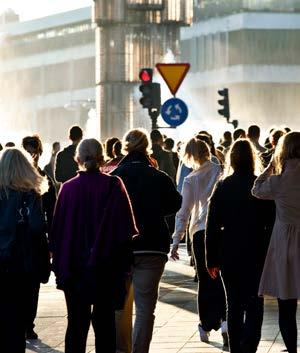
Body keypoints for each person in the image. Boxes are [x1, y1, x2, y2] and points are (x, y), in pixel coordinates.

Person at [50, 138, 137, 353]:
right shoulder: (114, 185)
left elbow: (57, 232)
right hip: (105, 267)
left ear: (77, 159)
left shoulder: (67, 189)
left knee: (76, 325)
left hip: (73, 269)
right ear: (102, 158)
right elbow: (125, 229)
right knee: (105, 325)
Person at [112, 128, 182, 353]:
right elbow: (175, 204)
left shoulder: (114, 178)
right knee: (145, 308)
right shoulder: (158, 175)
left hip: (121, 248)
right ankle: (140, 350)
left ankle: (122, 349)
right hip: (152, 247)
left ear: (125, 147)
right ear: (146, 147)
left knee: (120, 306)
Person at [206, 139, 275, 353]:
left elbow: (212, 225)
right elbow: (271, 222)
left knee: (233, 304)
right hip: (257, 252)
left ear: (232, 160)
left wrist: (211, 259)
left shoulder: (223, 186)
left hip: (229, 253)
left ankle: (236, 348)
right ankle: (250, 346)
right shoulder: (260, 186)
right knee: (255, 303)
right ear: (252, 159)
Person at [171, 138, 227, 345]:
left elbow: (183, 213)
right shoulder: (221, 171)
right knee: (221, 277)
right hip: (221, 230)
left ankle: (205, 324)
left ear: (190, 155)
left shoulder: (191, 179)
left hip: (200, 231)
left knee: (204, 280)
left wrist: (176, 240)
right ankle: (225, 320)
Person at [252, 131, 300, 353]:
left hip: (285, 244)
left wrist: (270, 165)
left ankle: (291, 349)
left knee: (287, 305)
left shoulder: (278, 181)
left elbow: (256, 189)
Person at [0, 148, 48, 353]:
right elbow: (37, 227)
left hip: (2, 263)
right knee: (19, 320)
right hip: (24, 264)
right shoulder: (31, 195)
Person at [22, 135, 55, 339]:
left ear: (38, 153)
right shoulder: (13, 178)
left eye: (32, 151)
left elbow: (52, 213)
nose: (30, 155)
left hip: (35, 240)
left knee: (33, 284)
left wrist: (53, 241)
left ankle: (28, 324)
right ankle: (23, 322)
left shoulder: (44, 179)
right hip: (21, 240)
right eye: (26, 151)